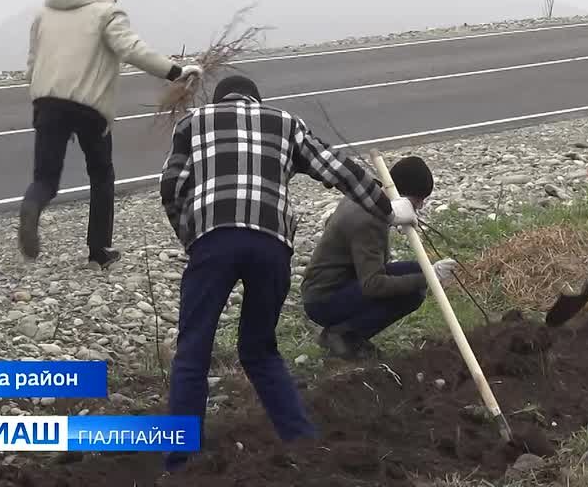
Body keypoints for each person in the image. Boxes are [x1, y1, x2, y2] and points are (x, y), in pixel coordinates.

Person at [159, 74, 418, 472]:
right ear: (257, 101)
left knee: (194, 350)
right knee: (259, 349)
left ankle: (181, 462)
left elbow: (171, 186)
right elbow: (339, 171)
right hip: (271, 244)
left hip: (213, 240)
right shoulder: (285, 123)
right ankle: (303, 444)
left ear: (223, 98)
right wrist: (388, 208)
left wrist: (191, 238)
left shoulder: (192, 122)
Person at [21, 0, 201, 269]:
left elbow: (32, 64)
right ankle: (98, 250)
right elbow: (131, 49)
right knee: (101, 174)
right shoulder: (107, 12)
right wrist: (175, 72)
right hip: (88, 107)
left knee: (45, 178)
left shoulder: (45, 13)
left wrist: (40, 98)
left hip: (46, 103)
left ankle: (31, 206)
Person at [301, 155, 456, 359]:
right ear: (401, 196)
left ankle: (344, 332)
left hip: (337, 283)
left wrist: (389, 221)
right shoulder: (368, 221)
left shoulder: (366, 196)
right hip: (324, 299)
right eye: (417, 201)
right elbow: (373, 285)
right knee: (414, 289)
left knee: (418, 270)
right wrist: (431, 277)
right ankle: (344, 336)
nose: (419, 207)